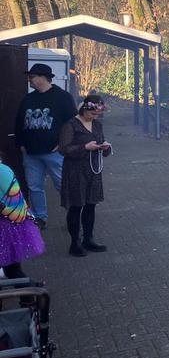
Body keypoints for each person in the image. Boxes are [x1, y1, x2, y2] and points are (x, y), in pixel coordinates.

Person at [15, 63, 78, 229]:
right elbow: (19, 122)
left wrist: (63, 143)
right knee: (34, 186)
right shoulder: (28, 99)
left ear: (43, 77)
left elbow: (73, 123)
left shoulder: (63, 97)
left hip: (55, 153)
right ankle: (40, 218)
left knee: (63, 186)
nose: (29, 80)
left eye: (32, 77)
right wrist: (20, 144)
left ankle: (74, 216)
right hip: (31, 153)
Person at [58, 95, 112, 257]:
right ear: (84, 109)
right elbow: (63, 149)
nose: (95, 117)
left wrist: (105, 147)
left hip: (93, 171)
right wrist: (85, 147)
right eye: (92, 114)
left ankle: (88, 239)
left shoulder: (97, 124)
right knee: (76, 206)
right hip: (75, 172)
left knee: (91, 205)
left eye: (98, 114)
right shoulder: (70, 125)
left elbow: (101, 142)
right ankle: (74, 243)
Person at [0, 152, 45, 278]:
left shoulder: (2, 171)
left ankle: (30, 288)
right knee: (11, 270)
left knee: (12, 270)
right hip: (9, 223)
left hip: (7, 227)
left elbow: (14, 203)